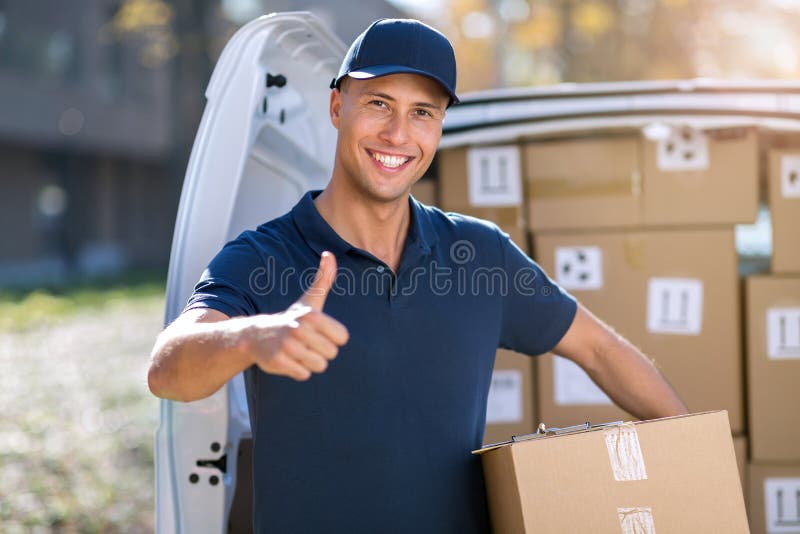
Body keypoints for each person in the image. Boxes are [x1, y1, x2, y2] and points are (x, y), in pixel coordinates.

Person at [147, 18, 688, 533]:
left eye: (423, 112)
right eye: (379, 104)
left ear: (439, 126)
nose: (398, 133)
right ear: (338, 106)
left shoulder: (481, 256)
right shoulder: (265, 257)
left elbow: (599, 349)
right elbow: (167, 370)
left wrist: (695, 454)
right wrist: (255, 336)